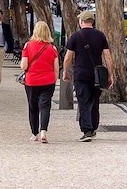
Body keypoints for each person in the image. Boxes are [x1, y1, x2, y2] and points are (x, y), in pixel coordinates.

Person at [63, 11, 113, 142]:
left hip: (80, 73)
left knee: (83, 101)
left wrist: (65, 72)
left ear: (81, 21)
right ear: (92, 21)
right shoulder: (100, 36)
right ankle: (94, 127)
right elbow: (107, 56)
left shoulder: (75, 36)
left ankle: (87, 130)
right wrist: (110, 74)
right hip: (97, 75)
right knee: (94, 101)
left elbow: (68, 57)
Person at [21, 22, 59, 143]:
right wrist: (54, 79)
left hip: (31, 81)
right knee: (45, 106)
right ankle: (44, 131)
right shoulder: (52, 48)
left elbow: (24, 65)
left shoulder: (28, 46)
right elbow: (56, 68)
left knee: (33, 107)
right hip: (48, 81)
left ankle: (34, 133)